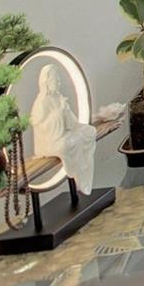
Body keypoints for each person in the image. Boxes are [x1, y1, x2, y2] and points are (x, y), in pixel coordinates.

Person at [30, 64, 94, 193]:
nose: (58, 83)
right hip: (49, 142)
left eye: (59, 80)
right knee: (66, 145)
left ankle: (84, 179)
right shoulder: (42, 102)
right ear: (47, 82)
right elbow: (40, 126)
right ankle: (80, 180)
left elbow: (71, 123)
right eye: (55, 80)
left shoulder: (58, 97)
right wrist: (59, 113)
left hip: (64, 133)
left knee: (89, 131)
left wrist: (66, 110)